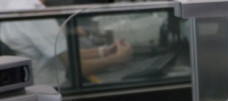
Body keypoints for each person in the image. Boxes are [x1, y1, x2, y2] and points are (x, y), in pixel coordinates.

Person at [0, 0, 132, 86]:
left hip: (33, 84)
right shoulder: (35, 12)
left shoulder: (14, 5)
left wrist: (103, 52)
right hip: (53, 88)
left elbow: (62, 52)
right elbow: (74, 67)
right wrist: (115, 59)